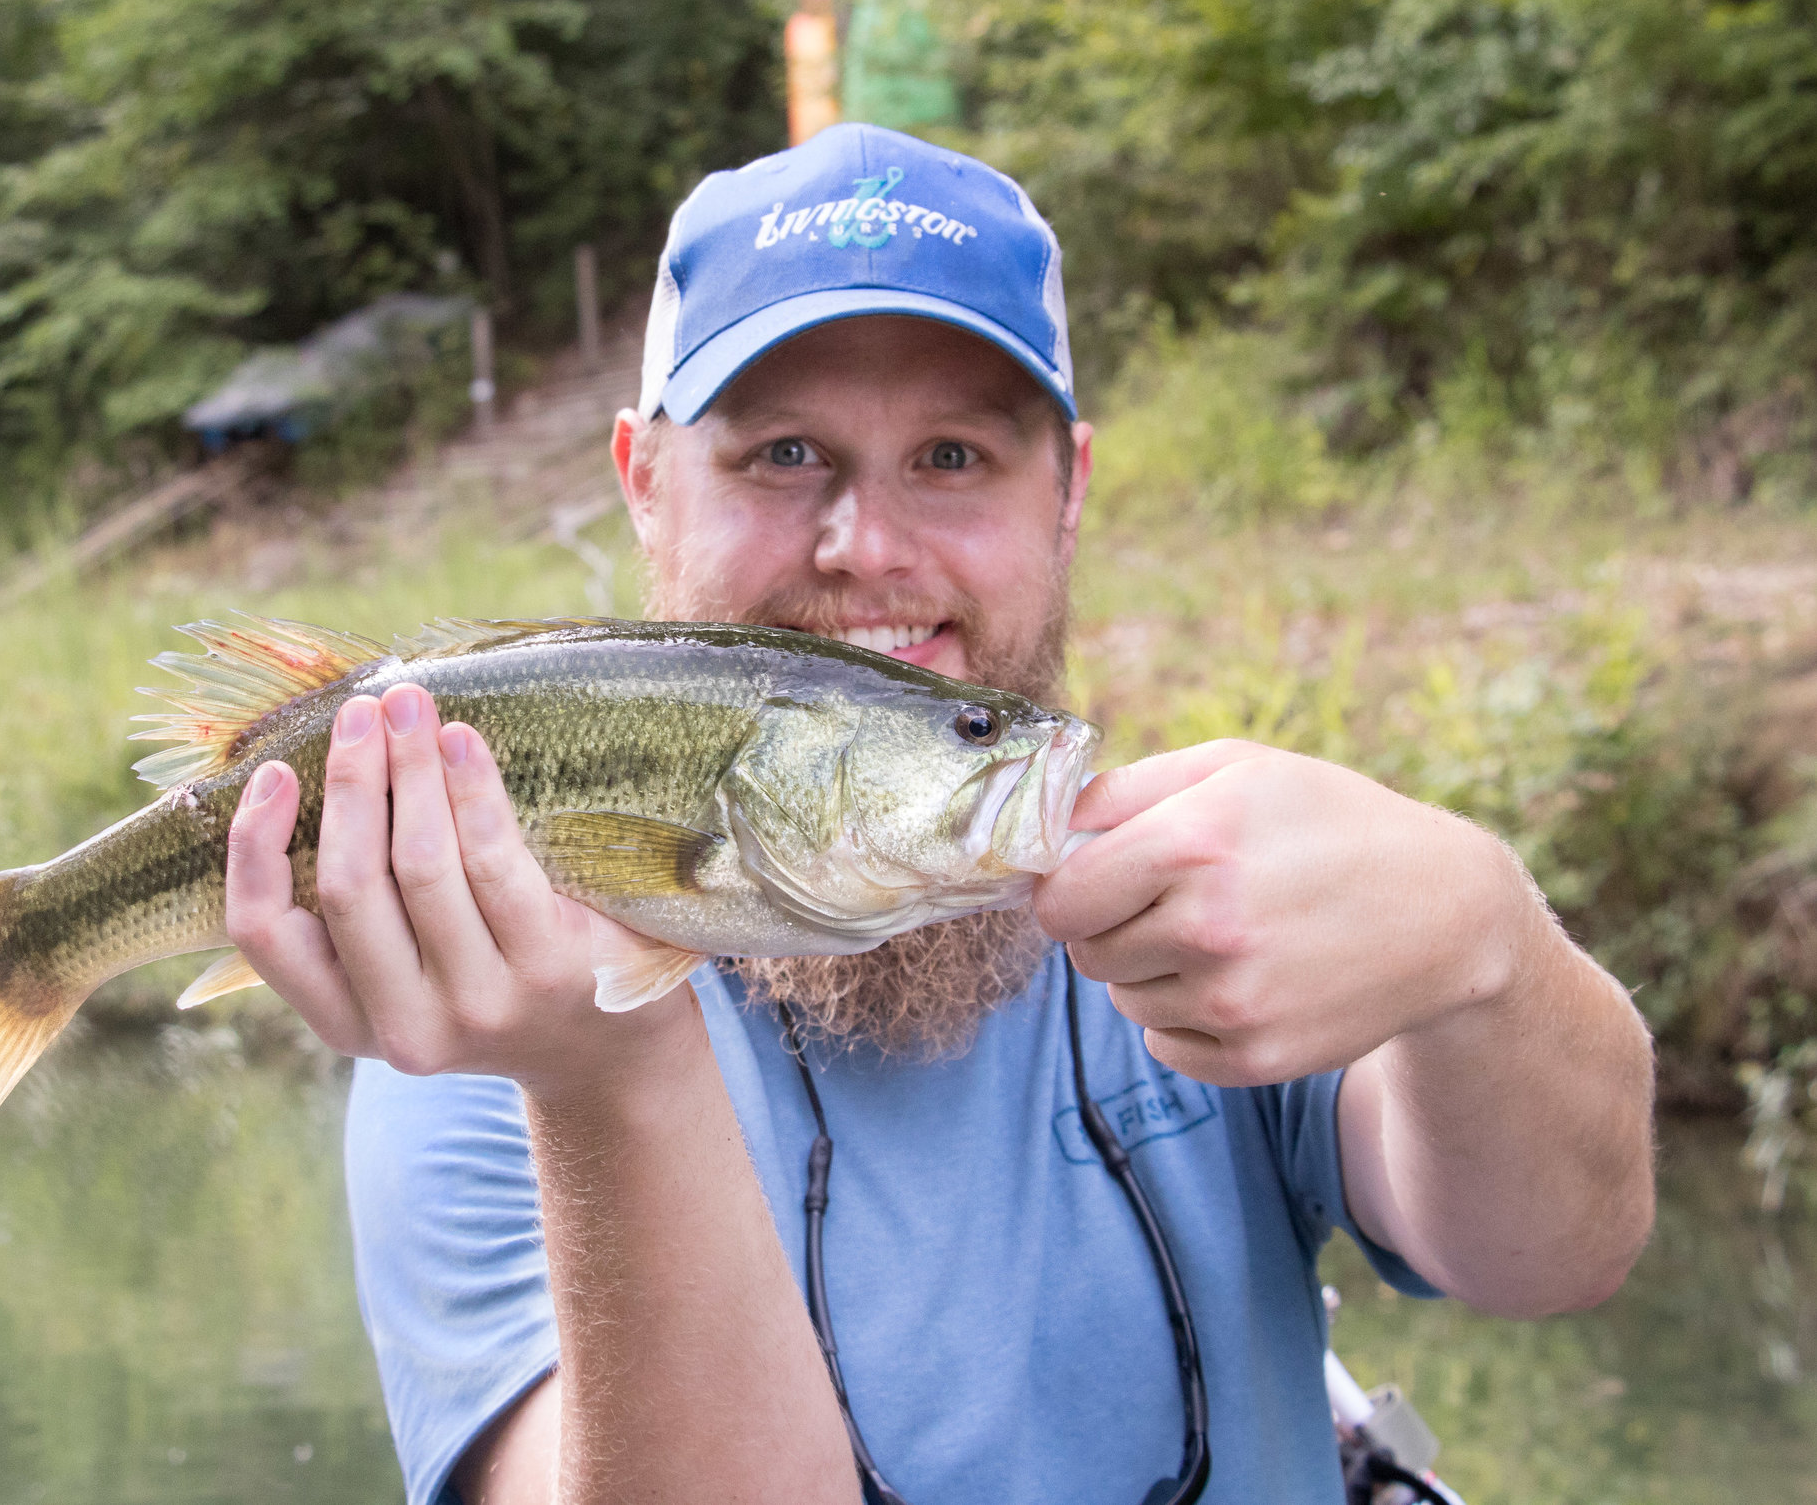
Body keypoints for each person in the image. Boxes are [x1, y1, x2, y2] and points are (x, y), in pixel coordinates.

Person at [221, 123, 1656, 1504]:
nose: (869, 548)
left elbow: (1555, 1253)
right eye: (784, 453)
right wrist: (609, 1075)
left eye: (954, 457)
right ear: (645, 484)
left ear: (1069, 492)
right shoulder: (484, 1023)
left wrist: (1488, 943)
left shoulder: (1208, 904)